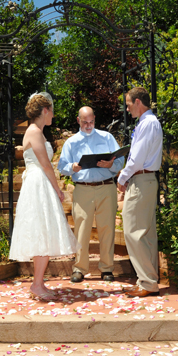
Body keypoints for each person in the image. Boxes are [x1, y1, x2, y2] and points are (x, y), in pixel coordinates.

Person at [9, 92, 80, 301]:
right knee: (41, 231)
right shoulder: (34, 132)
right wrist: (58, 190)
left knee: (44, 231)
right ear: (45, 110)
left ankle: (38, 283)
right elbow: (46, 165)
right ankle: (37, 284)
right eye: (52, 111)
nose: (53, 116)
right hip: (38, 184)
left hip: (39, 182)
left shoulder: (38, 132)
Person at [58, 106, 123, 283]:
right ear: (78, 120)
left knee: (107, 228)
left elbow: (120, 159)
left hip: (106, 187)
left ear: (95, 118)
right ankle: (79, 268)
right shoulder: (71, 142)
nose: (88, 125)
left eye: (91, 121)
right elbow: (61, 166)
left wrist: (111, 165)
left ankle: (107, 269)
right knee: (81, 230)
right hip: (83, 188)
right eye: (85, 122)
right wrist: (72, 167)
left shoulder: (107, 137)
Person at [117, 87, 163, 297]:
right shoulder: (148, 123)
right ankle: (148, 280)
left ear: (137, 102)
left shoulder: (147, 123)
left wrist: (122, 177)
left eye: (128, 104)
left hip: (141, 179)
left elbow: (136, 158)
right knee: (146, 233)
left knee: (133, 231)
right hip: (146, 179)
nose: (127, 109)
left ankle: (147, 281)